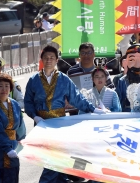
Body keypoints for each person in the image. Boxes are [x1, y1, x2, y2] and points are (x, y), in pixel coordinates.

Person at [24, 45, 104, 182]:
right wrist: (35, 117)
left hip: (59, 124)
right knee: (51, 159)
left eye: (52, 58)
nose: (49, 60)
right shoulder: (33, 80)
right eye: (46, 58)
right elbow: (28, 102)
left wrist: (94, 109)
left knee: (54, 158)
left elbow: (76, 98)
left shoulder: (64, 79)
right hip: (41, 124)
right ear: (42, 59)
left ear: (56, 60)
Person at [115, 44, 140, 112]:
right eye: (131, 60)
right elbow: (118, 103)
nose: (137, 64)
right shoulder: (122, 81)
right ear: (125, 62)